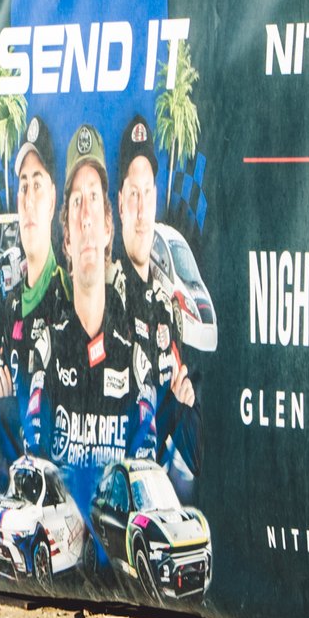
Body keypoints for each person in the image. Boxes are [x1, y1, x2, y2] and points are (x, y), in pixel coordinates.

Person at [21, 124, 155, 524]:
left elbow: (146, 467)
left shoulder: (135, 349)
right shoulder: (46, 346)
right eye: (76, 201)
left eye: (94, 199)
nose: (85, 218)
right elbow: (33, 454)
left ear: (109, 226)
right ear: (65, 238)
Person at [114, 116, 198, 484]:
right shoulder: (101, 299)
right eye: (133, 193)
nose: (141, 208)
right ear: (119, 203)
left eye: (148, 193)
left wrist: (184, 405)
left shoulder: (168, 305)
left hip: (161, 493)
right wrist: (173, 409)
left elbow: (184, 397)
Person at [0, 115, 64, 460]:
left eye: (38, 184)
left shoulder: (70, 298)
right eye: (23, 186)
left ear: (53, 199)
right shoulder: (11, 304)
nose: (29, 199)